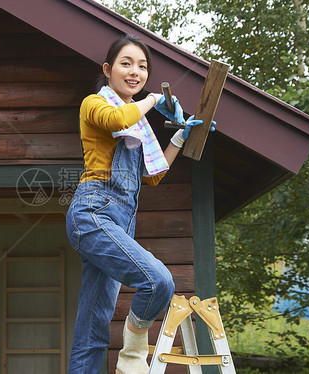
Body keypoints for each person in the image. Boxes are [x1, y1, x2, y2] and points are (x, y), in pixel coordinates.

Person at [65, 34, 215, 374]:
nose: (135, 71)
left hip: (119, 223)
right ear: (108, 69)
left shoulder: (139, 124)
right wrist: (151, 100)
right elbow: (117, 120)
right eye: (126, 64)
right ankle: (133, 353)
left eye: (143, 66)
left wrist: (179, 136)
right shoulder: (95, 104)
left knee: (93, 330)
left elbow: (153, 175)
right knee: (159, 280)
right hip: (92, 213)